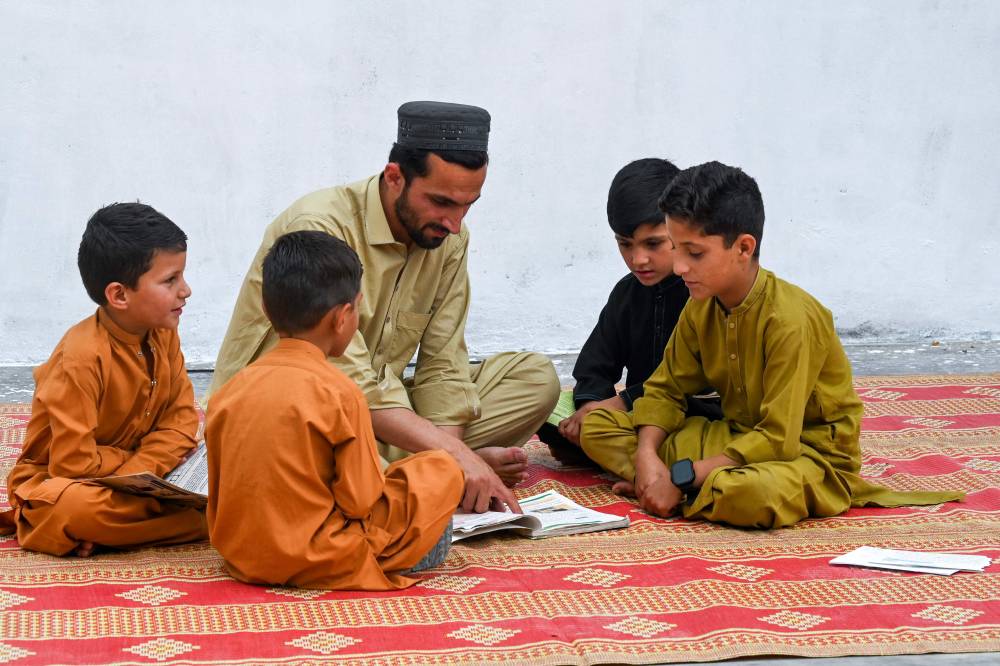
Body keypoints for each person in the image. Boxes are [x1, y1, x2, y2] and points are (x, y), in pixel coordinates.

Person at [209, 101, 560, 514]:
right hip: (302, 414)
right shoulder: (321, 226)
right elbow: (345, 381)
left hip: (381, 419)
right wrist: (456, 458)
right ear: (395, 177)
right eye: (442, 202)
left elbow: (443, 365)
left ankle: (410, 468)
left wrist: (446, 457)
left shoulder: (448, 240)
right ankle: (409, 472)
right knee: (310, 447)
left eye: (468, 205)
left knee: (536, 379)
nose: (455, 223)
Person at [580, 162, 963, 528]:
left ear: (744, 248)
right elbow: (664, 391)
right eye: (676, 249)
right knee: (596, 426)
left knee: (753, 493)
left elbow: (779, 439)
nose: (679, 267)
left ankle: (681, 491)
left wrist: (680, 477)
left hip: (803, 456)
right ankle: (674, 487)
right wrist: (648, 459)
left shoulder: (791, 319)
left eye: (694, 253)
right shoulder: (702, 304)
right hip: (734, 437)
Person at [206, 231, 462, 590]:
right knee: (441, 469)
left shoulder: (229, 392)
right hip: (322, 557)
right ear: (342, 317)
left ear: (266, 309)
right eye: (358, 307)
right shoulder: (341, 392)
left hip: (244, 556)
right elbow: (359, 501)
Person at [0, 203, 207, 555]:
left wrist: (142, 469)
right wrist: (139, 466)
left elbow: (182, 421)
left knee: (241, 461)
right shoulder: (80, 358)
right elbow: (73, 465)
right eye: (170, 280)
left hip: (144, 479)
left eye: (182, 276)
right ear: (119, 295)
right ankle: (204, 521)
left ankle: (109, 532)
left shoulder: (163, 332)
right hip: (63, 482)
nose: (185, 290)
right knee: (75, 508)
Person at [542, 158, 721, 451]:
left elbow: (694, 384)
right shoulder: (627, 292)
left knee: (690, 443)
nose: (638, 259)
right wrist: (591, 408)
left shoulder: (705, 292)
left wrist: (620, 403)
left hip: (688, 418)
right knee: (548, 414)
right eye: (625, 244)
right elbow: (594, 367)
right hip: (627, 418)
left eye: (653, 244)